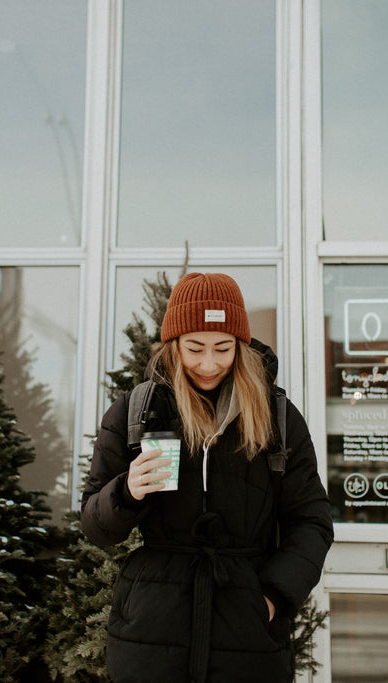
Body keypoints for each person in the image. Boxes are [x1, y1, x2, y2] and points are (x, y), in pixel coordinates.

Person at [82, 272, 334, 683]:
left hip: (247, 637)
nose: (209, 363)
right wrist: (126, 492)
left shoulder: (278, 418)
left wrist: (270, 598)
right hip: (150, 634)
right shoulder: (136, 412)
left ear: (241, 346)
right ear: (173, 345)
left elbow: (311, 522)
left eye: (223, 348)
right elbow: (94, 526)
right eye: (194, 348)